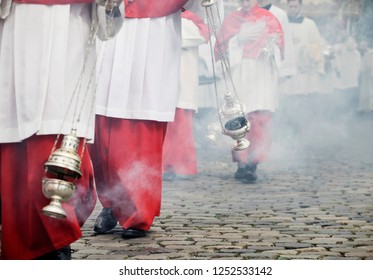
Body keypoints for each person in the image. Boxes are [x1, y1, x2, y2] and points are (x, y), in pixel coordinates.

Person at [0, 0, 123, 259]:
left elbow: (107, 19)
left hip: (70, 42)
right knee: (16, 153)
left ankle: (54, 242)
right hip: (19, 37)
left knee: (59, 151)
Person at [89, 0, 198, 239]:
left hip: (152, 29)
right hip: (110, 22)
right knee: (102, 119)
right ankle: (111, 202)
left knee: (141, 117)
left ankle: (138, 210)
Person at [214, 0, 284, 183]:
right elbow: (220, 49)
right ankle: (241, 163)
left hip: (261, 72)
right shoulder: (232, 19)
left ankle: (254, 162)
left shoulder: (268, 18)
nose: (246, 3)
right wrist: (238, 40)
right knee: (239, 120)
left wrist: (272, 46)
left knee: (259, 120)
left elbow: (279, 47)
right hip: (240, 72)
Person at [162, 9, 209, 182]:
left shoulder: (192, 21)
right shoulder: (164, 18)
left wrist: (171, 34)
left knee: (182, 127)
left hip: (184, 79)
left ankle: (183, 166)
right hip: (165, 79)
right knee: (166, 128)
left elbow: (199, 35)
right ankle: (165, 165)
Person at [278, 0, 325, 129]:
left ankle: (302, 128)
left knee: (301, 100)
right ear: (287, 7)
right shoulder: (281, 23)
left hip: (302, 70)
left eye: (296, 6)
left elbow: (317, 46)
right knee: (286, 100)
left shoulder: (310, 24)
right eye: (291, 6)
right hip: (286, 69)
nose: (293, 9)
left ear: (300, 6)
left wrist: (304, 48)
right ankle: (286, 128)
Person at [357, 39, 373, 116]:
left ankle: (372, 107)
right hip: (367, 73)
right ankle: (363, 107)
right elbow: (363, 62)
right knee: (365, 89)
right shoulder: (369, 53)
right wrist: (361, 71)